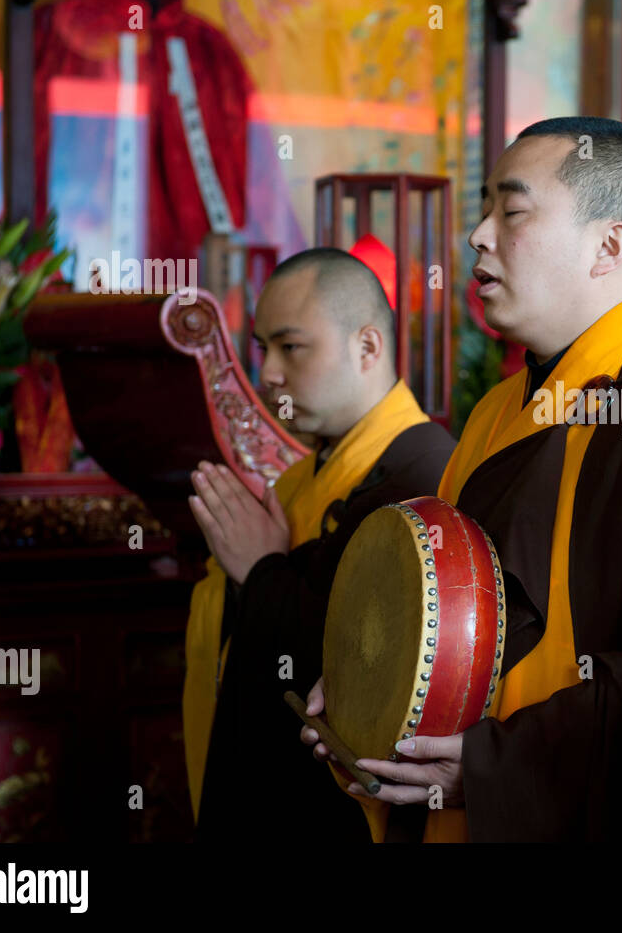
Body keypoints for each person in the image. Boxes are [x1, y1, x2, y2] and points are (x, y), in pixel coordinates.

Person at [301, 116, 622, 842]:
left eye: (513, 210)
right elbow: (445, 605)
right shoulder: (500, 409)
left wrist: (494, 767)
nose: (479, 235)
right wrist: (371, 695)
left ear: (610, 245)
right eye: (485, 209)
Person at [184, 247, 455, 842]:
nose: (269, 375)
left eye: (291, 347)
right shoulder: (300, 479)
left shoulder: (426, 478)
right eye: (263, 350)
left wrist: (262, 569)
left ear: (367, 347)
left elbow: (373, 673)